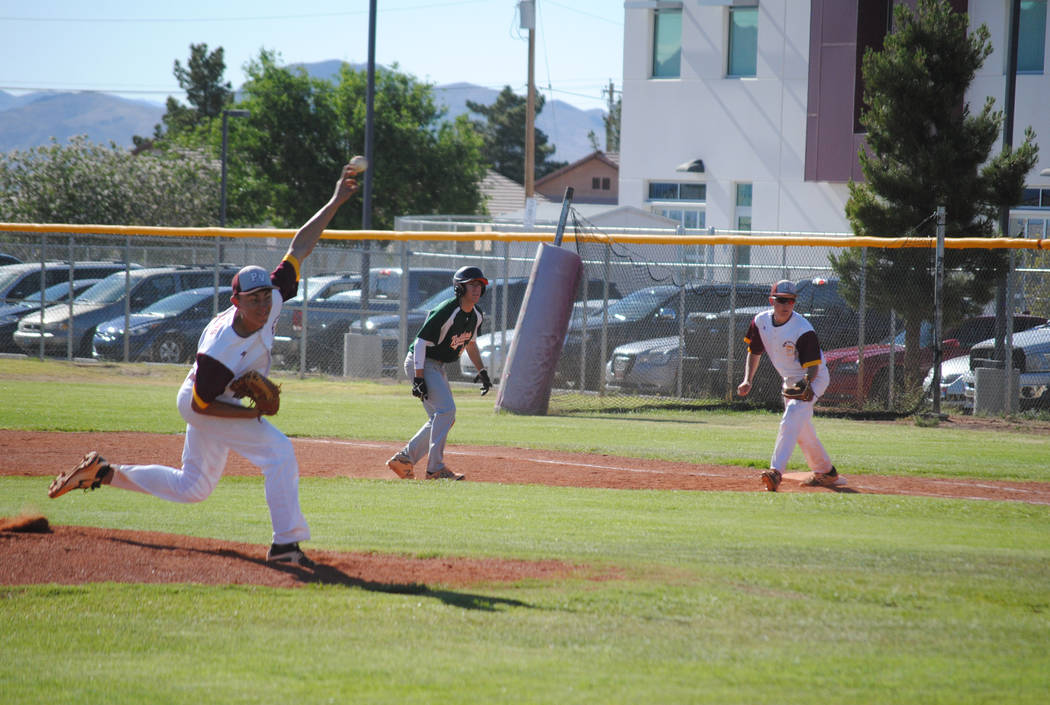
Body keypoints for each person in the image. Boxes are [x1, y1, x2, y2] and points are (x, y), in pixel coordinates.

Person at [47, 163, 362, 564]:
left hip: (216, 397)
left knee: (193, 488)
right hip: (202, 399)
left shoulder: (275, 296)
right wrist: (250, 418)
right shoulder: (220, 348)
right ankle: (286, 544)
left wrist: (335, 201)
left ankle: (103, 472)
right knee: (278, 453)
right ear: (237, 302)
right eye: (254, 299)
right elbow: (200, 407)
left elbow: (300, 246)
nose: (264, 304)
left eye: (266, 295)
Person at [387, 266, 491, 481]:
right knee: (446, 411)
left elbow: (470, 345)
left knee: (443, 417)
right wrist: (418, 377)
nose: (477, 289)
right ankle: (435, 469)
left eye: (480, 285)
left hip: (437, 365)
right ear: (459, 288)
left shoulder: (477, 315)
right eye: (472, 284)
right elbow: (420, 343)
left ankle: (404, 459)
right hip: (422, 361)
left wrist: (482, 371)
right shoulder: (446, 311)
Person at [736, 280, 838, 492]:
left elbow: (813, 367)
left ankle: (775, 472)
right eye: (782, 299)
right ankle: (826, 472)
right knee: (801, 430)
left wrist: (807, 385)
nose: (786, 304)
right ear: (771, 300)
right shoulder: (760, 322)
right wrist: (748, 380)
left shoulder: (803, 329)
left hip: (814, 378)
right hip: (791, 382)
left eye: (791, 300)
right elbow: (754, 352)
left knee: (791, 417)